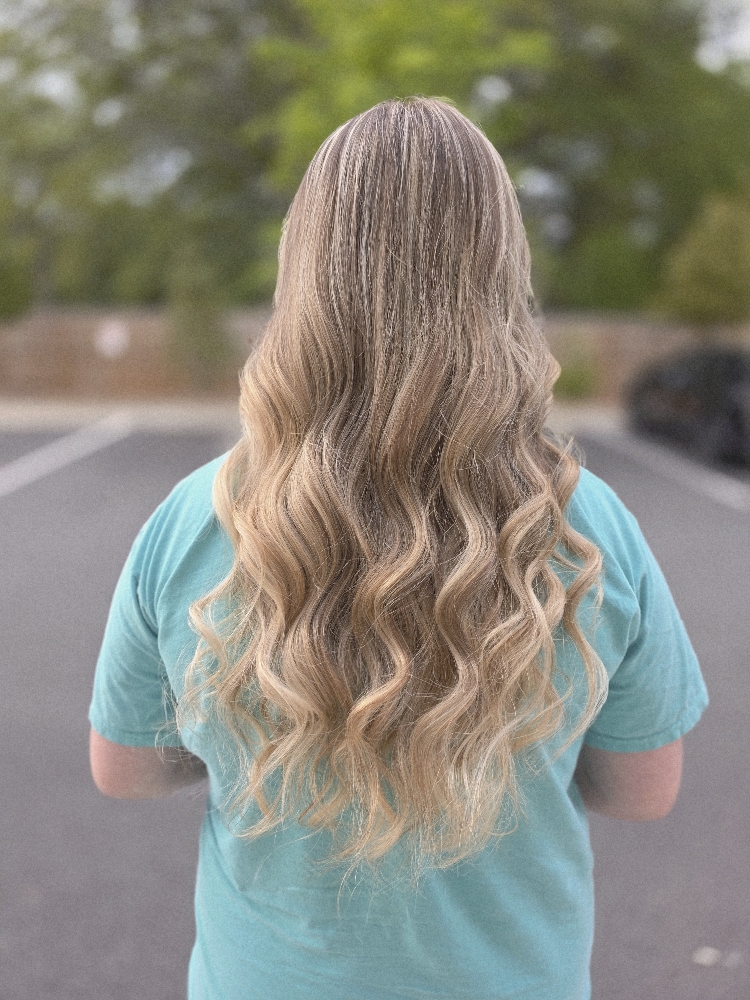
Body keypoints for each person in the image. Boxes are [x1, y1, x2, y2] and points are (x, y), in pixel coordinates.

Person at [88, 98, 708, 1000]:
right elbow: (643, 789)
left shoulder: (196, 517)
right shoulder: (587, 527)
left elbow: (126, 769)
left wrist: (252, 736)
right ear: (501, 272)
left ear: (304, 273)